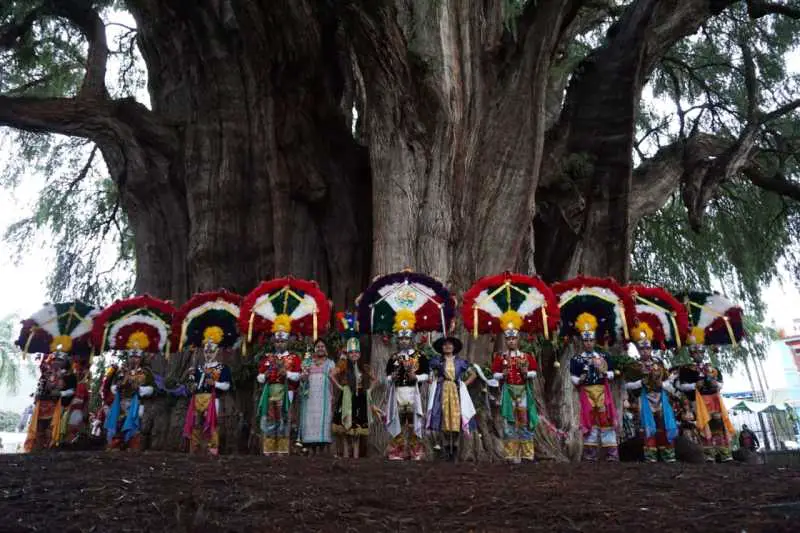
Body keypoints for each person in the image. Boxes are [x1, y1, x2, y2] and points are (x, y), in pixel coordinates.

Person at [675, 328, 734, 462]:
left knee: (719, 423)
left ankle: (725, 453)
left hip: (714, 399)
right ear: (691, 354)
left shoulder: (712, 368)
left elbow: (721, 383)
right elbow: (680, 385)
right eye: (695, 352)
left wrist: (715, 384)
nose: (698, 354)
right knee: (704, 425)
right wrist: (695, 386)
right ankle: (708, 454)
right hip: (698, 400)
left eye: (701, 351)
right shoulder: (686, 369)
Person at [570, 313, 619, 462]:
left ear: (595, 340)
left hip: (602, 392)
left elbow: (612, 373)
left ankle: (611, 454)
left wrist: (605, 372)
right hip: (587, 392)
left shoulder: (603, 356)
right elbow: (573, 377)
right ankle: (590, 454)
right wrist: (579, 380)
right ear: (582, 341)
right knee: (590, 421)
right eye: (586, 340)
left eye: (591, 340)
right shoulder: (577, 359)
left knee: (606, 420)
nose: (589, 343)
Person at [491, 313, 539, 463]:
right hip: (508, 392)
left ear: (518, 339)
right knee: (509, 423)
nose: (511, 341)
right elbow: (494, 375)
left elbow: (534, 372)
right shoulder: (501, 357)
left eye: (514, 338)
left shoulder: (526, 356)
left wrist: (527, 373)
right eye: (508, 339)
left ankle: (527, 455)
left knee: (524, 422)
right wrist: (502, 375)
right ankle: (511, 455)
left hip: (523, 392)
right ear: (506, 340)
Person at [625, 326, 678, 462]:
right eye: (642, 349)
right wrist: (640, 383)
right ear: (638, 350)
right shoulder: (634, 366)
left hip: (661, 398)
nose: (645, 351)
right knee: (647, 426)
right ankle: (651, 455)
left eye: (647, 348)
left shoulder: (659, 363)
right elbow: (627, 384)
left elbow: (669, 382)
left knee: (663, 424)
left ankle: (668, 454)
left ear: (651, 349)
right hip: (644, 399)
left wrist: (663, 385)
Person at [384, 309, 429, 461]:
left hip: (412, 392)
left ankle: (415, 451)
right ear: (398, 339)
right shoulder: (394, 357)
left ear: (411, 339)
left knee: (413, 422)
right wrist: (392, 377)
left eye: (406, 338)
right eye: (401, 338)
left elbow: (427, 375)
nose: (403, 341)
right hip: (398, 393)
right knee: (399, 422)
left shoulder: (419, 356)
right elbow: (387, 376)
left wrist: (416, 377)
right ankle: (397, 451)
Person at [257, 314, 302, 456]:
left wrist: (286, 374)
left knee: (284, 421)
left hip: (286, 391)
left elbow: (299, 376)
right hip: (270, 392)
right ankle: (269, 450)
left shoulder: (294, 358)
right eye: (277, 341)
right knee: (270, 420)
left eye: (282, 341)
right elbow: (259, 377)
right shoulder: (268, 358)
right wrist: (265, 376)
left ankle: (282, 451)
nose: (279, 343)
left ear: (287, 341)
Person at [183, 327, 232, 456]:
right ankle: (195, 449)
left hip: (212, 398)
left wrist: (215, 383)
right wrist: (191, 382)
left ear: (216, 351)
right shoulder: (198, 368)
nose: (208, 353)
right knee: (196, 424)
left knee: (212, 424)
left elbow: (227, 386)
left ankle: (212, 449)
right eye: (206, 351)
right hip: (197, 398)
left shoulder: (222, 368)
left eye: (211, 351)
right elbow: (192, 385)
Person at [427, 335, 477, 461]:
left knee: (456, 418)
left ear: (454, 347)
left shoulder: (460, 362)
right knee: (443, 417)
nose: (447, 346)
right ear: (442, 347)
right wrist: (433, 378)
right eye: (445, 344)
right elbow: (430, 372)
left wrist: (464, 384)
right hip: (442, 390)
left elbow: (473, 374)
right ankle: (445, 447)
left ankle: (454, 448)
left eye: (450, 344)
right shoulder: (438, 361)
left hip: (456, 391)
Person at [105, 344, 155, 451]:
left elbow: (152, 388)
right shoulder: (121, 370)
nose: (134, 359)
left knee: (135, 423)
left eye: (137, 357)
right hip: (121, 402)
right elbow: (112, 385)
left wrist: (141, 390)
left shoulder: (146, 372)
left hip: (138, 403)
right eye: (132, 357)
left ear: (141, 358)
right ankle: (116, 444)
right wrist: (117, 387)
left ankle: (133, 445)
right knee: (118, 422)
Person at [332, 337, 375, 458]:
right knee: (346, 432)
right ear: (348, 354)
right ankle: (346, 457)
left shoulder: (364, 367)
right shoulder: (343, 365)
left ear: (360, 354)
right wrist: (341, 387)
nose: (354, 354)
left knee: (356, 433)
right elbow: (331, 374)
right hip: (346, 397)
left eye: (356, 352)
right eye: (351, 352)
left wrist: (370, 390)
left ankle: (355, 460)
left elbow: (374, 379)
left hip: (359, 399)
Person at [299, 339, 337, 454]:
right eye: (318, 346)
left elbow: (334, 381)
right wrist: (304, 376)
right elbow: (302, 380)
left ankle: (322, 451)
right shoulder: (307, 362)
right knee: (310, 420)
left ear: (326, 349)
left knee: (324, 420)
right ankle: (310, 450)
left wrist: (333, 395)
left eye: (322, 346)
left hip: (324, 397)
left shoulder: (330, 363)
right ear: (314, 349)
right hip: (309, 397)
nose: (320, 348)